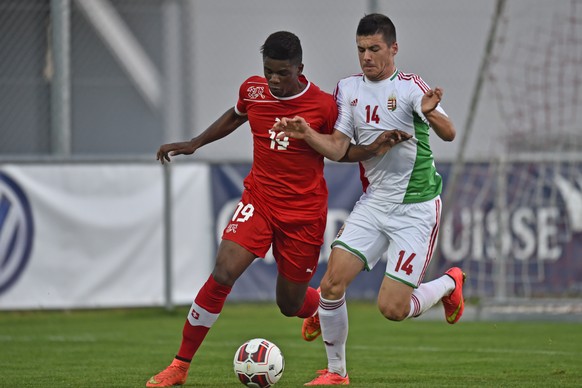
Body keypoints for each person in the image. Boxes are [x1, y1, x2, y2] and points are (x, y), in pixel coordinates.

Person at [146, 31, 407, 387]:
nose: (274, 80)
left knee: (289, 303)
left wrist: (374, 148)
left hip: (303, 215)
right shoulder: (253, 90)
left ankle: (318, 307)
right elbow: (236, 114)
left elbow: (341, 150)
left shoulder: (324, 106)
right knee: (223, 272)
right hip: (260, 200)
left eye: (282, 73)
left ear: (300, 68)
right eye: (269, 71)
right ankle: (179, 366)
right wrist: (195, 143)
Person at [274, 13, 465, 386]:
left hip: (416, 208)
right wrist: (308, 133)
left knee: (392, 309)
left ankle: (449, 284)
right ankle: (336, 373)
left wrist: (429, 114)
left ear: (393, 49)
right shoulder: (348, 89)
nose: (366, 56)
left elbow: (450, 132)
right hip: (376, 203)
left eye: (374, 48)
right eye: (361, 49)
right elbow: (338, 148)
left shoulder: (411, 88)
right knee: (330, 285)